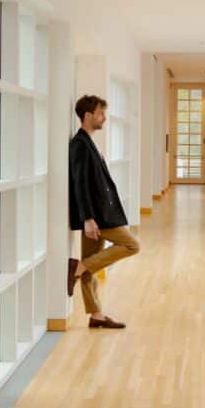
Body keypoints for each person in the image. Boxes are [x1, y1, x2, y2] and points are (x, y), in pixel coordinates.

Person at [67, 95, 140, 329]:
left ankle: (96, 315)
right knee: (132, 245)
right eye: (100, 114)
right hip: (97, 216)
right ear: (88, 116)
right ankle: (78, 268)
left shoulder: (88, 141)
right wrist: (88, 218)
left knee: (90, 263)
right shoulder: (79, 143)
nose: (104, 118)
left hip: (98, 215)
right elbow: (80, 182)